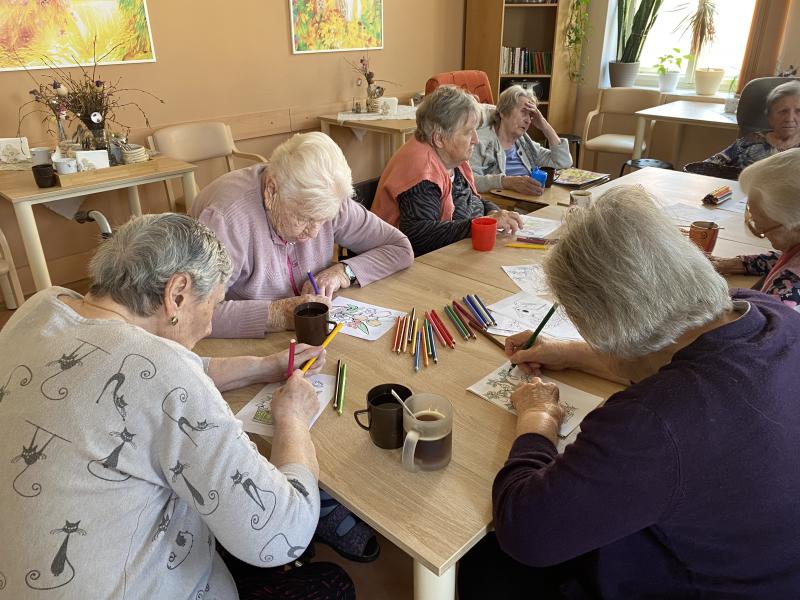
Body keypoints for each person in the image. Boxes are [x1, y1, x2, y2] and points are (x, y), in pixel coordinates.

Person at [458, 186, 800, 598]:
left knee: (483, 565)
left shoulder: (652, 422)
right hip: (770, 564)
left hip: (699, 585)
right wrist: (566, 352)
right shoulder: (767, 313)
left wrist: (538, 419)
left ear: (611, 327)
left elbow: (525, 533)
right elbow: (671, 355)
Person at [0, 214, 355, 599]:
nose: (209, 326)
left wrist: (262, 366)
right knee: (331, 584)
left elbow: (144, 372)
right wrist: (293, 418)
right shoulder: (166, 374)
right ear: (178, 293)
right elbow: (283, 534)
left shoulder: (43, 306)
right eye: (214, 304)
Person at [190, 131, 413, 339]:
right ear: (271, 191)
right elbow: (191, 313)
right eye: (305, 218)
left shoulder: (326, 198)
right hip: (235, 344)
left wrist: (343, 272)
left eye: (323, 220)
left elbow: (399, 248)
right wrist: (278, 313)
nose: (314, 232)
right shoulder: (227, 219)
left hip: (302, 339)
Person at [371, 85, 523, 256]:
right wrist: (481, 223)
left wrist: (493, 212)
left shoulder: (451, 159)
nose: (476, 139)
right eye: (468, 132)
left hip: (450, 253)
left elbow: (470, 200)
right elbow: (419, 236)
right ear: (439, 138)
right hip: (401, 261)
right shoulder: (422, 171)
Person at [710, 149, 800, 309]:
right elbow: (787, 257)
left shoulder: (787, 292)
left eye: (762, 227)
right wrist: (737, 263)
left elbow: (754, 322)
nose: (758, 229)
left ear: (795, 225)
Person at [469, 84, 573, 195]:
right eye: (523, 112)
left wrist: (545, 126)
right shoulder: (479, 141)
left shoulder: (524, 144)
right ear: (503, 112)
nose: (528, 120)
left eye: (531, 115)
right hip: (500, 203)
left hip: (529, 200)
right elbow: (470, 180)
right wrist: (506, 182)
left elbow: (563, 163)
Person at [705, 80, 800, 168]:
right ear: (770, 117)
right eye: (783, 111)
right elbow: (708, 166)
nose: (790, 118)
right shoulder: (750, 141)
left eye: (798, 111)